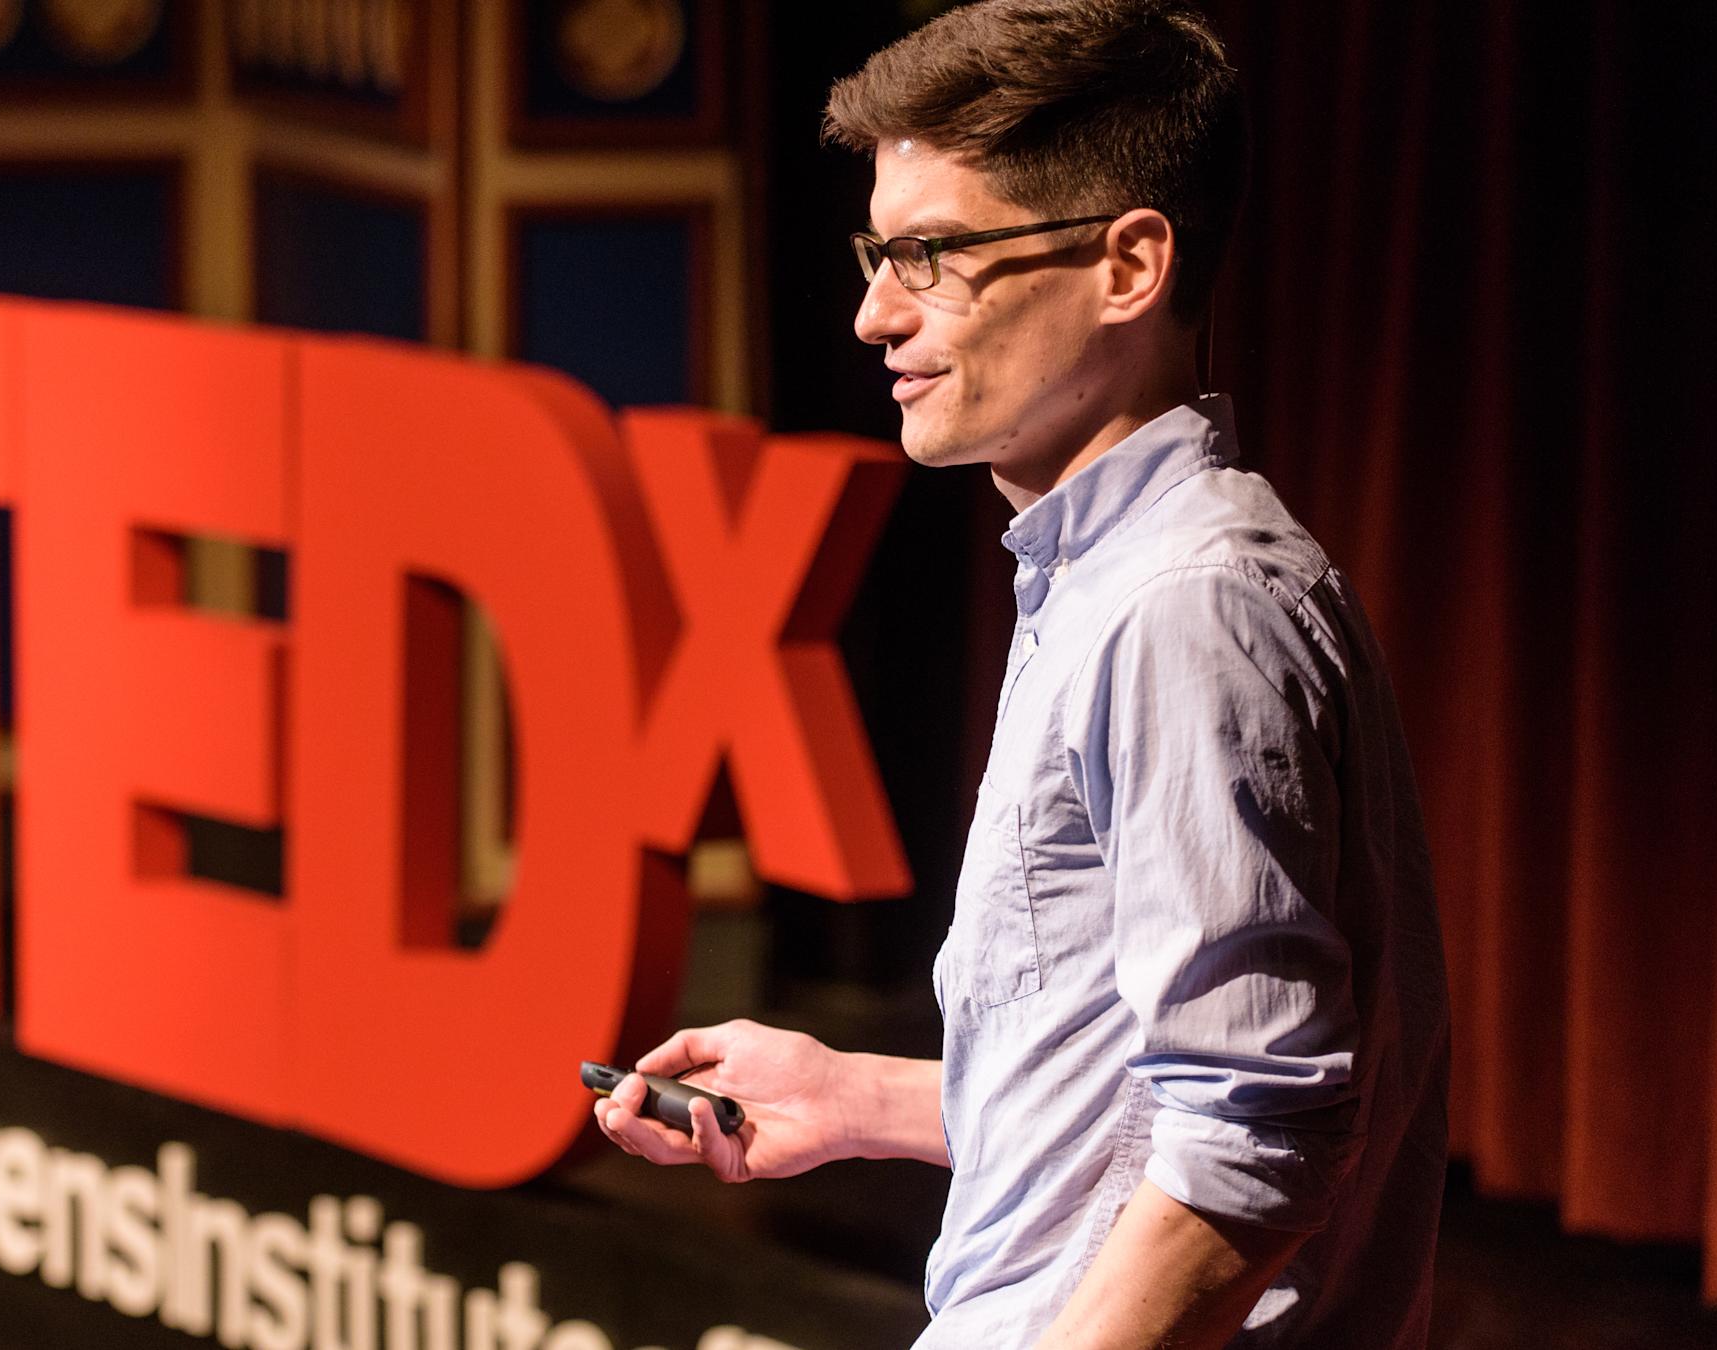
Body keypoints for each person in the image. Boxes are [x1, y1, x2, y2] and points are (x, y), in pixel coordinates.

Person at [591, 2, 1451, 1346]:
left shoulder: (1186, 606)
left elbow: (1256, 1128)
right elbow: (1146, 1088)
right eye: (879, 251)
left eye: (932, 255)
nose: (874, 313)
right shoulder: (1124, 581)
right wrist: (857, 1097)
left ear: (1128, 265)